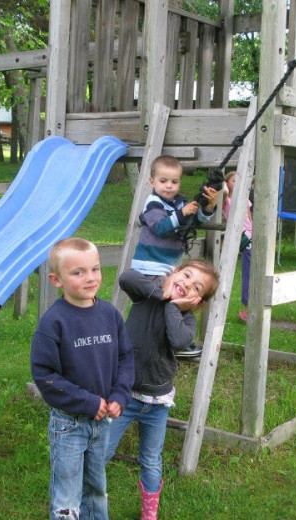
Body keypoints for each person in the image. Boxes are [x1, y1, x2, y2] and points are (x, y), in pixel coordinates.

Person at [106, 260, 220, 520]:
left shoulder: (186, 320)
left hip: (157, 403)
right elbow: (126, 277)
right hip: (123, 396)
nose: (186, 284)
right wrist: (162, 293)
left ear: (198, 301)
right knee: (102, 450)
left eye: (195, 287)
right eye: (186, 275)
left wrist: (173, 306)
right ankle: (84, 500)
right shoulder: (146, 296)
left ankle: (149, 513)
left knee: (150, 459)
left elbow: (179, 341)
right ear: (174, 272)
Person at [31, 237, 134, 520]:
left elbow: (126, 358)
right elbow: (44, 375)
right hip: (69, 424)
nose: (90, 278)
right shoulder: (53, 322)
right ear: (56, 279)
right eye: (78, 272)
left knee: (96, 489)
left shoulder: (110, 315)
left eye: (95, 269)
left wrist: (119, 396)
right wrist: (87, 402)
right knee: (67, 496)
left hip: (102, 422)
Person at [131, 155, 219, 276]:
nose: (169, 185)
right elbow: (160, 228)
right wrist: (182, 213)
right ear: (152, 182)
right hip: (149, 266)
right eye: (163, 181)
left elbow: (193, 222)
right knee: (160, 295)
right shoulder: (153, 203)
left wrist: (208, 207)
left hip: (169, 267)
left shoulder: (180, 203)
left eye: (174, 181)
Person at [222, 171, 253, 322]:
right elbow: (221, 197)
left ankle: (250, 309)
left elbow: (249, 215)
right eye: (233, 180)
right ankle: (247, 310)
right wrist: (224, 189)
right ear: (227, 183)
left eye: (239, 180)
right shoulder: (226, 200)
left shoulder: (244, 198)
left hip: (252, 236)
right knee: (249, 272)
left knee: (255, 271)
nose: (237, 183)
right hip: (243, 238)